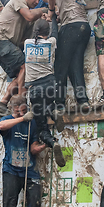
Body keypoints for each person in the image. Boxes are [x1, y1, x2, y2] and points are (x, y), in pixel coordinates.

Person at [0, 0, 47, 117]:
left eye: (39, 0)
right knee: (25, 66)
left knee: (20, 75)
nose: (37, 2)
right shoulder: (18, 0)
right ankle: (21, 103)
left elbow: (23, 41)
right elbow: (30, 16)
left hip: (1, 46)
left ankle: (2, 104)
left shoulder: (27, 21)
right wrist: (44, 9)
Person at [0, 94, 45, 207]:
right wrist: (21, 119)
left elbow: (33, 148)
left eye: (24, 110)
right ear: (13, 110)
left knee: (34, 203)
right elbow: (2, 127)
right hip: (11, 169)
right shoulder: (7, 120)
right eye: (18, 111)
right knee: (9, 205)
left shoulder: (32, 123)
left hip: (29, 171)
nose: (22, 113)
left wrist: (45, 145)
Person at [42, 0, 91, 113]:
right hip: (83, 26)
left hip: (70, 26)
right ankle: (82, 100)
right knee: (75, 65)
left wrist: (50, 11)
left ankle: (59, 103)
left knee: (60, 66)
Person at [24, 19, 66, 167]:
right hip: (50, 84)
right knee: (48, 103)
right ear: (46, 33)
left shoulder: (27, 43)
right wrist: (52, 18)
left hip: (34, 89)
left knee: (42, 128)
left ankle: (52, 142)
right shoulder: (51, 43)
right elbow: (55, 32)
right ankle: (54, 112)